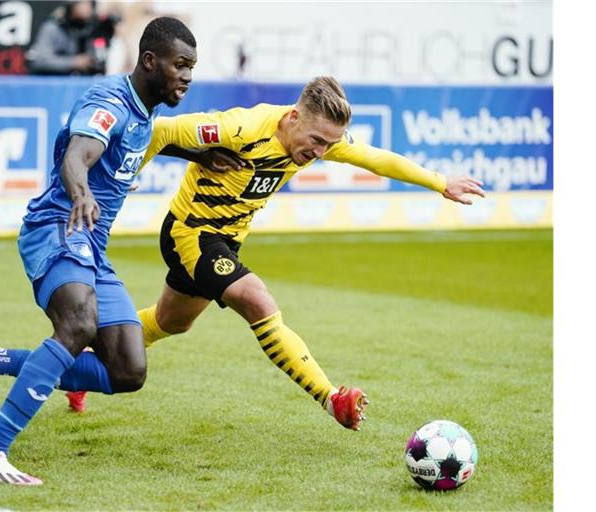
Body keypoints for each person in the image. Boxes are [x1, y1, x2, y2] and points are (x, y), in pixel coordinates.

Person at [69, 76, 484, 428]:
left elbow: (375, 158)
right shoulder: (240, 128)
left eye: (329, 145)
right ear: (292, 117)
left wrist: (438, 181)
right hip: (192, 234)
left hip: (225, 240)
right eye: (317, 141)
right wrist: (127, 175)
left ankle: (85, 365)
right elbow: (161, 132)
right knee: (257, 299)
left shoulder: (320, 137)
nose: (320, 153)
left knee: (169, 323)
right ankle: (330, 397)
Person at [0, 16, 198, 486]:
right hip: (59, 225)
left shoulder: (148, 112)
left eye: (192, 67)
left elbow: (158, 141)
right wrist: (81, 192)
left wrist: (205, 155)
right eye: (179, 65)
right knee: (78, 326)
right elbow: (77, 154)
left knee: (127, 370)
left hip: (92, 244)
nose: (187, 75)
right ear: (150, 61)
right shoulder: (108, 101)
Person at [26, 1, 120, 76]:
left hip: (88, 83)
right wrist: (74, 62)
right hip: (56, 84)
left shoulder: (96, 27)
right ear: (70, 6)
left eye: (88, 3)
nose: (86, 7)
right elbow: (40, 61)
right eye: (81, 3)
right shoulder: (54, 27)